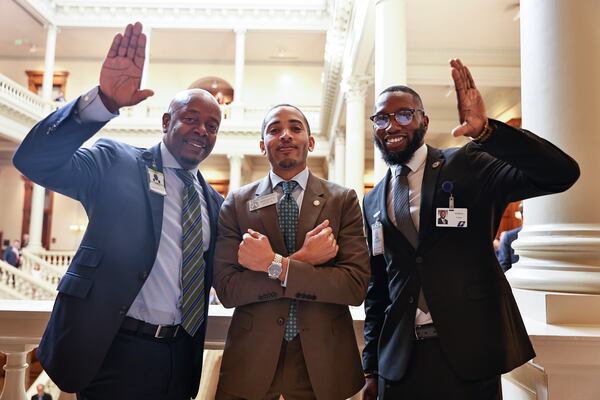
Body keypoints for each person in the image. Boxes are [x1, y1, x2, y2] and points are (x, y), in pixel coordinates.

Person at [13, 22, 224, 400]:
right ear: (166, 122)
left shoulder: (214, 203)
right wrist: (104, 103)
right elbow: (34, 161)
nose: (201, 130)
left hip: (178, 359)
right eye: (190, 118)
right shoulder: (116, 162)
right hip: (112, 353)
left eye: (211, 125)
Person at [362, 59, 580, 399]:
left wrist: (485, 131)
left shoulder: (467, 165)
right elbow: (379, 287)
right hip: (399, 361)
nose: (392, 125)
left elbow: (561, 173)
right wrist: (370, 365)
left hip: (469, 355)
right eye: (382, 118)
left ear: (424, 120)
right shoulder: (373, 200)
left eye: (404, 114)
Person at [213, 104, 370, 399]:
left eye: (295, 128)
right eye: (274, 130)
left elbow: (354, 287)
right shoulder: (236, 203)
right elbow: (228, 290)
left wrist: (274, 264)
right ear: (263, 145)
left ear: (310, 142)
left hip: (325, 360)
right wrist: (303, 262)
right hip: (252, 360)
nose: (285, 135)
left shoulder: (342, 201)